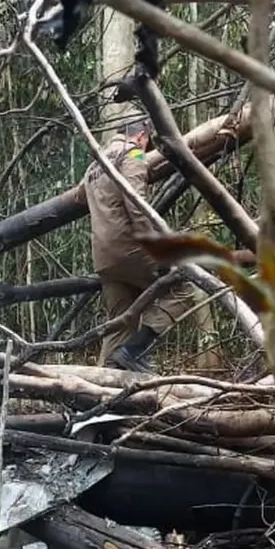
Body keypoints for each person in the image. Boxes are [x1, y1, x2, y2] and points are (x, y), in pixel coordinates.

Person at [78, 117, 193, 370]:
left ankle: (101, 395)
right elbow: (136, 204)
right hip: (130, 250)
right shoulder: (134, 155)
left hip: (104, 258)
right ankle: (135, 351)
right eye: (147, 142)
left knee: (119, 323)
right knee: (182, 287)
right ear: (142, 136)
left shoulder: (95, 164)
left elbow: (78, 196)